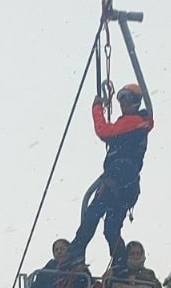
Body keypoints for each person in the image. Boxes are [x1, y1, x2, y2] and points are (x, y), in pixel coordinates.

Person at [65, 83, 154, 273]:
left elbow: (104, 131)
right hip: (127, 186)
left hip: (118, 179)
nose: (122, 103)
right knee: (111, 228)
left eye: (126, 99)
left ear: (136, 101)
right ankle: (120, 262)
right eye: (120, 99)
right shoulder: (137, 124)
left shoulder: (134, 122)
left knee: (93, 213)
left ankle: (77, 250)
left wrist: (97, 108)